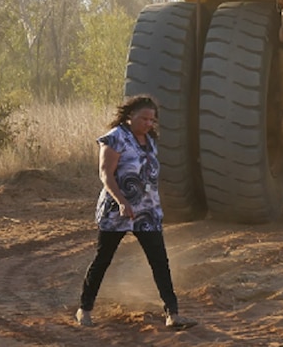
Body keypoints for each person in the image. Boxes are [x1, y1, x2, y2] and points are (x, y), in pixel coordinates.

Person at [75, 94, 195, 329]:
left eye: (152, 120)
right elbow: (106, 175)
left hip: (147, 212)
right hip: (116, 211)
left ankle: (173, 314)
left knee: (160, 261)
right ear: (131, 116)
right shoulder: (114, 138)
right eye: (144, 119)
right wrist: (121, 201)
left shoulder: (150, 139)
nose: (149, 124)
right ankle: (84, 309)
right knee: (103, 260)